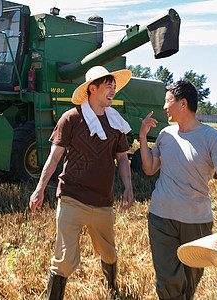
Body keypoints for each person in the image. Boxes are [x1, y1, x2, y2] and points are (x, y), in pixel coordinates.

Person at [29, 66, 135, 299]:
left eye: (114, 86)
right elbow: (54, 157)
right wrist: (39, 189)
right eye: (108, 85)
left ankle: (111, 289)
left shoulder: (116, 123)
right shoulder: (71, 119)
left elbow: (122, 159)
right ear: (92, 89)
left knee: (108, 253)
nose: (113, 90)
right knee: (64, 259)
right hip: (71, 199)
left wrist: (128, 186)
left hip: (102, 202)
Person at [139, 81, 217, 299]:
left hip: (196, 223)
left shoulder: (212, 137)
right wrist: (143, 136)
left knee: (189, 283)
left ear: (183, 103)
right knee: (168, 282)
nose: (164, 107)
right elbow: (150, 168)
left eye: (168, 102)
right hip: (160, 218)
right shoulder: (165, 134)